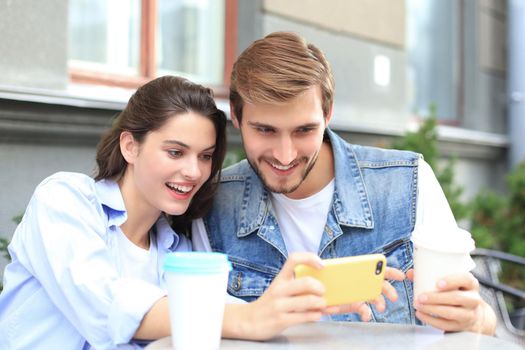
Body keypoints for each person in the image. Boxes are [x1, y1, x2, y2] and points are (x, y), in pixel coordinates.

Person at [1, 75, 370, 349]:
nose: (194, 172)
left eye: (206, 156)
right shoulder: (65, 200)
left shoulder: (176, 251)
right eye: (175, 152)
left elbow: (232, 315)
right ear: (131, 146)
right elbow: (105, 304)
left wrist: (311, 300)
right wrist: (248, 318)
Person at [192, 32, 497, 335]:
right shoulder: (214, 204)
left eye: (303, 130)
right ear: (235, 116)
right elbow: (199, 327)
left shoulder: (407, 182)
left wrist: (474, 320)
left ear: (327, 114)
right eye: (265, 130)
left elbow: (480, 318)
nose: (285, 155)